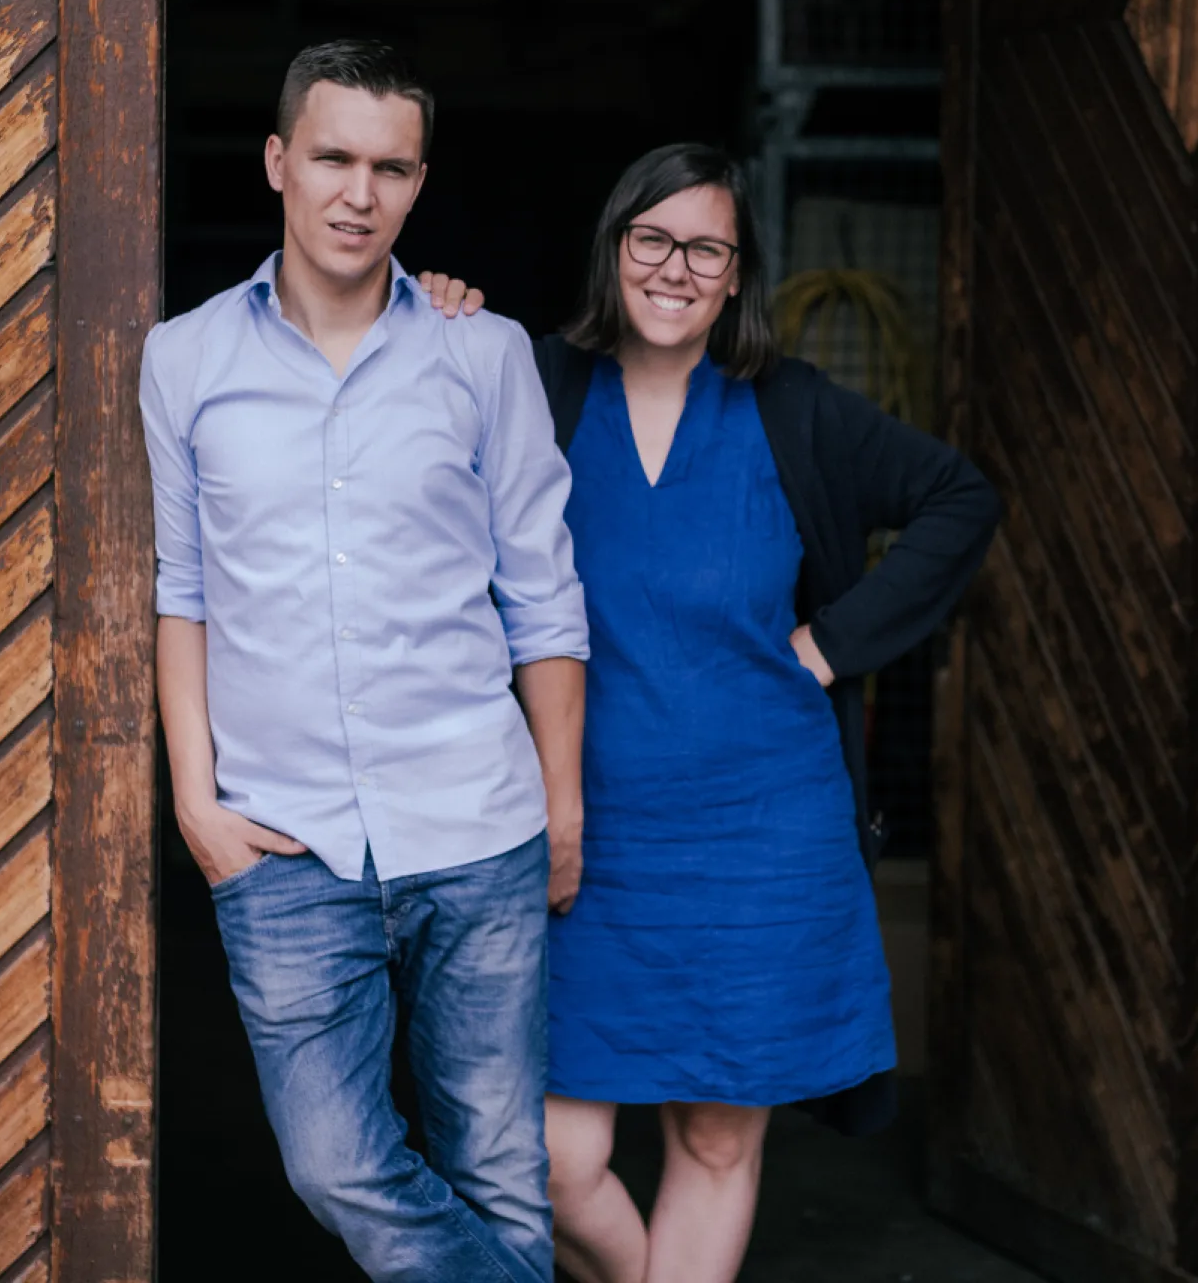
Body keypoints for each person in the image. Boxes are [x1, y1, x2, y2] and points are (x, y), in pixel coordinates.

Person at [423, 143, 999, 1283]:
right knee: (549, 1156)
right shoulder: (535, 383)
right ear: (613, 250)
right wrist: (428, 317)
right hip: (574, 834)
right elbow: (385, 436)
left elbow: (957, 496)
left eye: (706, 248)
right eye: (652, 239)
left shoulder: (789, 411)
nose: (675, 268)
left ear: (736, 275)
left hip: (761, 836)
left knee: (713, 1138)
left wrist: (830, 643)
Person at [139, 39, 587, 1283]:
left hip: (476, 824)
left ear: (417, 182)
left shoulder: (481, 354)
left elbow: (543, 600)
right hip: (283, 843)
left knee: (498, 1165)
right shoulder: (182, 361)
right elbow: (184, 593)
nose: (358, 192)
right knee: (334, 1162)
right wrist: (196, 802)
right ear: (279, 161)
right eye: (332, 157)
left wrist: (559, 807)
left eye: (388, 168)